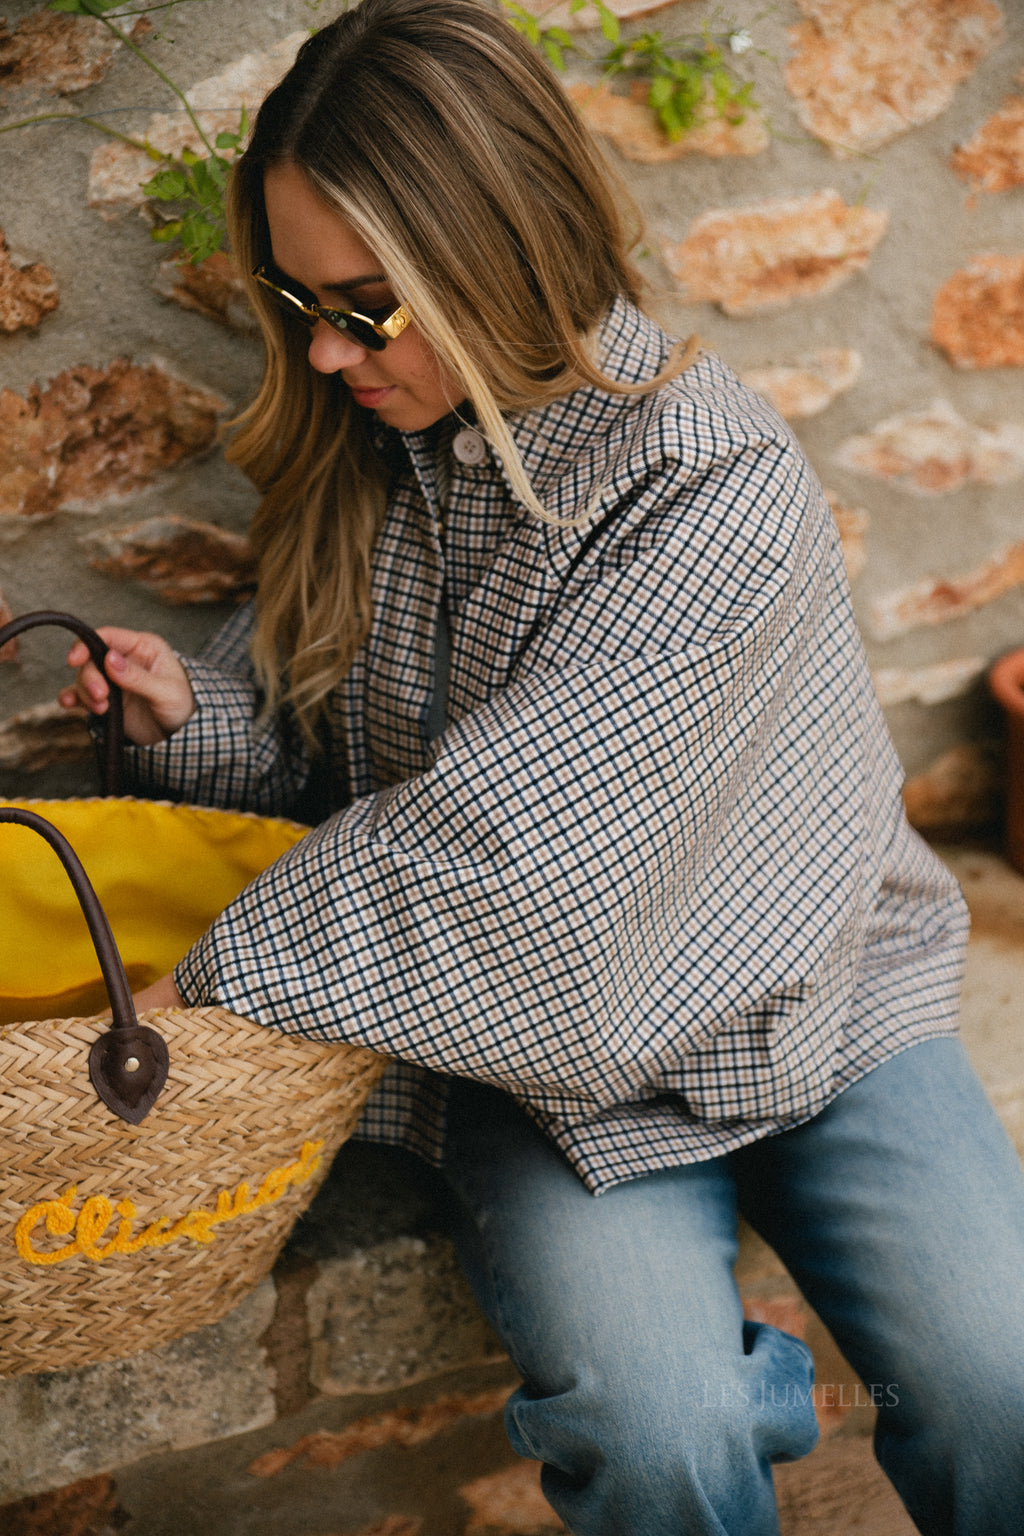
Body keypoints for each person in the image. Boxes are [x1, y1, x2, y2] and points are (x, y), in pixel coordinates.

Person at [62, 2, 1024, 1530]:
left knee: (1003, 1384)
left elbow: (515, 858)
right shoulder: (370, 457)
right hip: (541, 1069)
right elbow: (344, 760)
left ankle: (784, 1376)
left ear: (499, 252)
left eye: (366, 305)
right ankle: (748, 1383)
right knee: (658, 1427)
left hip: (815, 1011)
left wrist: (231, 976)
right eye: (302, 301)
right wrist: (205, 720)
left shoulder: (704, 478)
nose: (321, 351)